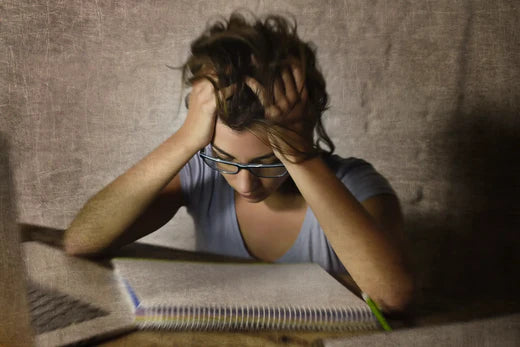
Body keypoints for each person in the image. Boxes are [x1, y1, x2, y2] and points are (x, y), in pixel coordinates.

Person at [64, 11, 414, 313]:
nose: (245, 184)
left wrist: (298, 156)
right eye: (226, 159)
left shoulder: (356, 184)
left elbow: (392, 295)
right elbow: (81, 241)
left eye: (267, 162)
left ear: (305, 132)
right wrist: (186, 139)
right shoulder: (202, 171)